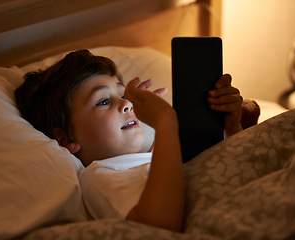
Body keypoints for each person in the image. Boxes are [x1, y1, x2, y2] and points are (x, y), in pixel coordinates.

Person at [15, 49, 244, 232]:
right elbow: (157, 228)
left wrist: (232, 126)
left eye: (124, 95)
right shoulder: (103, 175)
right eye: (103, 101)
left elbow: (235, 168)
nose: (127, 104)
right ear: (66, 137)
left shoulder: (161, 151)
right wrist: (165, 122)